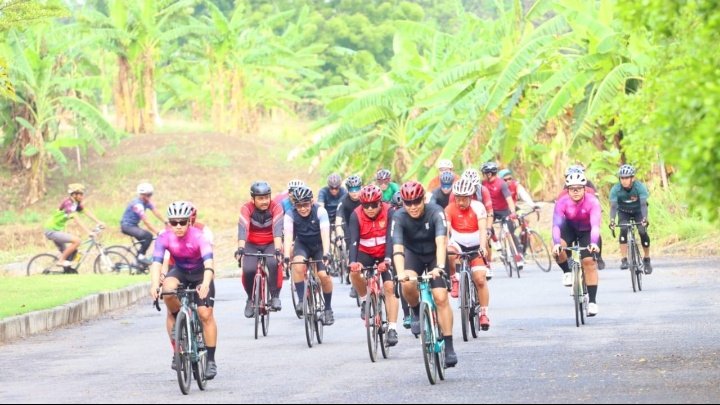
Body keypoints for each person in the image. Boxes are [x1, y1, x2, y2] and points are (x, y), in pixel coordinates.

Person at [392, 181, 457, 367]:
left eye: (416, 202)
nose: (412, 207)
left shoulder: (435, 212)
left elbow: (441, 242)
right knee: (407, 283)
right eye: (408, 203)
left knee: (441, 297)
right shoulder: (399, 217)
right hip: (414, 255)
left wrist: (440, 267)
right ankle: (415, 310)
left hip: (435, 255)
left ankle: (449, 346)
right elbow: (397, 249)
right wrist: (399, 273)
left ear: (423, 200)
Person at [149, 201, 217, 379]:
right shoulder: (164, 237)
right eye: (174, 222)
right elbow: (156, 263)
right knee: (168, 291)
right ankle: (180, 322)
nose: (178, 226)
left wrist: (205, 284)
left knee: (205, 314)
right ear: (169, 223)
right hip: (180, 271)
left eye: (182, 222)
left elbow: (209, 264)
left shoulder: (199, 236)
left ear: (189, 221)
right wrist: (154, 285)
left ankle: (210, 360)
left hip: (200, 272)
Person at [347, 185, 400, 346]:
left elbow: (392, 239)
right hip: (366, 252)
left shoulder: (390, 211)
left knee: (390, 287)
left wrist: (388, 260)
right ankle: (364, 300)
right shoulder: (356, 215)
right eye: (366, 205)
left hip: (385, 252)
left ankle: (392, 328)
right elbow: (354, 241)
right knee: (354, 273)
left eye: (374, 205)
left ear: (380, 202)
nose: (370, 209)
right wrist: (353, 262)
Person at [283, 186, 335, 325]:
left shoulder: (320, 211)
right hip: (303, 244)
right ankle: (301, 300)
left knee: (324, 275)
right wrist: (287, 256)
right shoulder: (290, 214)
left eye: (305, 204)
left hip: (319, 245)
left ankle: (328, 309)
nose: (302, 209)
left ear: (311, 202)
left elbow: (325, 234)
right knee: (297, 265)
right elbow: (288, 236)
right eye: (298, 205)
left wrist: (326, 253)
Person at [552, 172, 602, 316]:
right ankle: (567, 272)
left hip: (587, 231)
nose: (575, 191)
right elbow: (556, 225)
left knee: (589, 262)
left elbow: (595, 226)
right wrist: (556, 243)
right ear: (567, 190)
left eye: (579, 188)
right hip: (569, 228)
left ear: (584, 189)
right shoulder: (562, 202)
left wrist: (593, 243)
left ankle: (592, 301)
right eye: (572, 188)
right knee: (557, 248)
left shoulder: (592, 202)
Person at [445, 178, 491, 330]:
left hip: (476, 244)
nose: (460, 202)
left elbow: (483, 229)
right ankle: (455, 279)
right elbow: (445, 231)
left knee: (480, 279)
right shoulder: (450, 209)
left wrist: (483, 246)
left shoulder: (478, 207)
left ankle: (484, 313)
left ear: (471, 197)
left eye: (464, 198)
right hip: (458, 244)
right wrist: (444, 244)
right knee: (449, 252)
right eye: (458, 198)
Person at [236, 181, 284, 318]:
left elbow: (277, 230)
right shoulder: (246, 208)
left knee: (274, 263)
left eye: (267, 197)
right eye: (260, 198)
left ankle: (275, 296)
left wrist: (277, 250)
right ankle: (250, 299)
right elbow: (243, 227)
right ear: (253, 199)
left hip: (271, 242)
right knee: (248, 269)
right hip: (252, 243)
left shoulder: (276, 207)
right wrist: (240, 248)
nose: (265, 201)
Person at [43, 183, 105, 270]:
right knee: (77, 241)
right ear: (74, 195)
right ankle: (61, 261)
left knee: (71, 253)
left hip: (57, 230)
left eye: (82, 194)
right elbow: (77, 219)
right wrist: (88, 232)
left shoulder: (75, 204)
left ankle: (67, 271)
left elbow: (86, 212)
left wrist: (99, 222)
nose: (82, 196)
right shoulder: (68, 204)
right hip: (51, 231)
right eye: (80, 194)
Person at [609, 164, 653, 274]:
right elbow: (614, 206)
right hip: (624, 212)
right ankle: (624, 259)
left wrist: (644, 218)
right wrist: (612, 221)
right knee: (623, 229)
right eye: (622, 178)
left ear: (632, 178)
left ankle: (647, 259)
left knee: (642, 231)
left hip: (638, 211)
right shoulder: (615, 189)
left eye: (627, 178)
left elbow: (643, 205)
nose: (624, 180)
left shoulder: (639, 187)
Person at [481, 162, 523, 268]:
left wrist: (513, 212)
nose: (483, 175)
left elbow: (509, 199)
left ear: (489, 174)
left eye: (484, 173)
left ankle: (517, 256)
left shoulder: (501, 184)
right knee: (487, 227)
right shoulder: (483, 183)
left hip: (504, 210)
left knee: (510, 230)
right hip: (491, 211)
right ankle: (496, 241)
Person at [120, 182, 165, 265]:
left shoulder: (146, 202)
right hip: (127, 226)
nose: (149, 197)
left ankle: (138, 263)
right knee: (148, 236)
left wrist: (166, 221)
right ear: (141, 195)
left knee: (145, 241)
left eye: (150, 195)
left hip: (133, 226)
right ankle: (140, 257)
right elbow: (146, 222)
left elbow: (156, 212)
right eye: (147, 195)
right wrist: (157, 232)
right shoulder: (137, 204)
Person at [335, 175, 363, 296]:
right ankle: (354, 283)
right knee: (350, 251)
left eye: (357, 189)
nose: (355, 192)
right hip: (349, 228)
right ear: (348, 190)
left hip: (364, 226)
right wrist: (339, 235)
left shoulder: (365, 197)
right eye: (352, 190)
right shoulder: (343, 201)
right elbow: (338, 220)